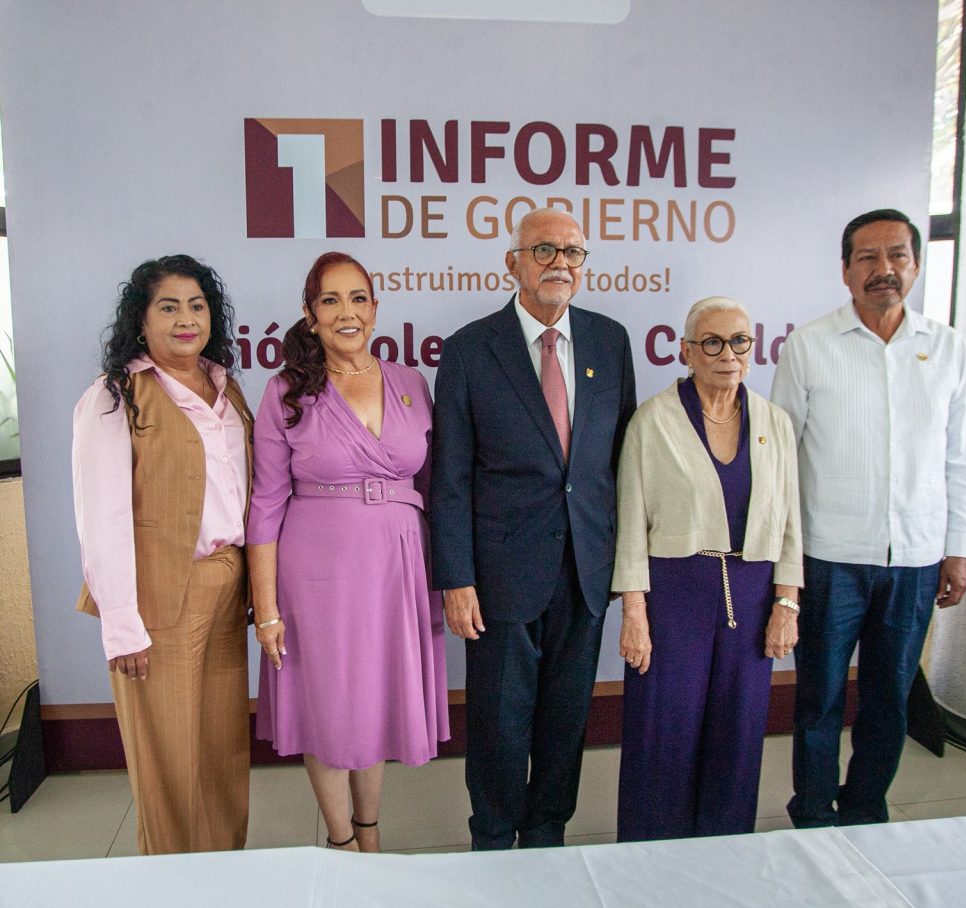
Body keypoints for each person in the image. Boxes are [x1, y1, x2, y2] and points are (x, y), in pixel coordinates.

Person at [430, 208, 636, 850]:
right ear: (512, 262)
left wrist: (625, 570)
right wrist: (456, 578)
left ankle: (548, 838)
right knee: (498, 724)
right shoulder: (469, 349)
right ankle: (493, 840)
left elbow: (620, 465)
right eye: (544, 250)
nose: (560, 264)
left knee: (565, 723)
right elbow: (450, 477)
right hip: (499, 575)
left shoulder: (610, 341)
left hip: (584, 570)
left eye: (573, 253)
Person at [771, 209, 966, 828]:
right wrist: (787, 563)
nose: (883, 269)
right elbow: (781, 458)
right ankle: (813, 815)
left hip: (915, 560)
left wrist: (959, 547)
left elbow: (962, 456)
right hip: (829, 558)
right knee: (819, 699)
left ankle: (866, 812)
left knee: (889, 699)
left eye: (897, 256)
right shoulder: (810, 346)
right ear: (845, 271)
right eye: (867, 258)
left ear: (916, 266)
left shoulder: (946, 347)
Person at [247, 251, 449, 852]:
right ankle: (341, 843)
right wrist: (266, 610)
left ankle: (370, 833)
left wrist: (445, 577)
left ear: (376, 309)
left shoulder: (411, 383)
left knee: (374, 698)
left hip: (397, 567)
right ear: (310, 315)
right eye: (330, 301)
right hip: (318, 573)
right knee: (331, 706)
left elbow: (435, 487)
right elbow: (265, 504)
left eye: (358, 298)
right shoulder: (285, 391)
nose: (346, 312)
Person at [72, 255, 251, 855]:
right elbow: (101, 516)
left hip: (227, 585)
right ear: (141, 320)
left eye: (196, 306)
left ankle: (222, 871)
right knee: (168, 759)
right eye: (168, 307)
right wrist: (121, 625)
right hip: (158, 596)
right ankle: (170, 880)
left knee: (222, 750)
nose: (185, 319)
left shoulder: (226, 388)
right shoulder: (115, 395)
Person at [613, 296, 802, 840]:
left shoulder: (774, 422)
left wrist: (787, 603)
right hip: (674, 595)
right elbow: (630, 521)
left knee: (738, 732)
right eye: (712, 343)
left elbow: (791, 521)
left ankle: (725, 851)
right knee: (663, 730)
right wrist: (634, 611)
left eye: (739, 341)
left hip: (753, 596)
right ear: (687, 352)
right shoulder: (653, 420)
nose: (728, 354)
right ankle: (650, 851)